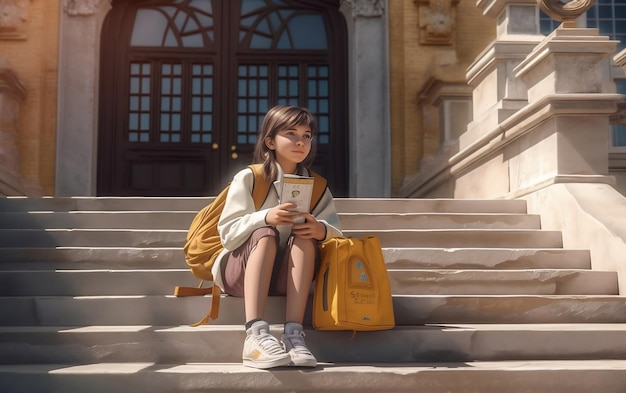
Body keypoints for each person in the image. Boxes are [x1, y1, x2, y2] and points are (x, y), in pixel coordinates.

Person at [211, 105, 343, 369]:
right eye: (291, 134)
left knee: (306, 236)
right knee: (265, 233)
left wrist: (321, 230)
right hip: (239, 272)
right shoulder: (250, 177)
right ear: (270, 141)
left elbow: (338, 236)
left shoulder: (317, 184)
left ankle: (294, 335)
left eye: (307, 135)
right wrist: (264, 217)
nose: (300, 141)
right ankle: (255, 334)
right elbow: (227, 233)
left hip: (288, 275)